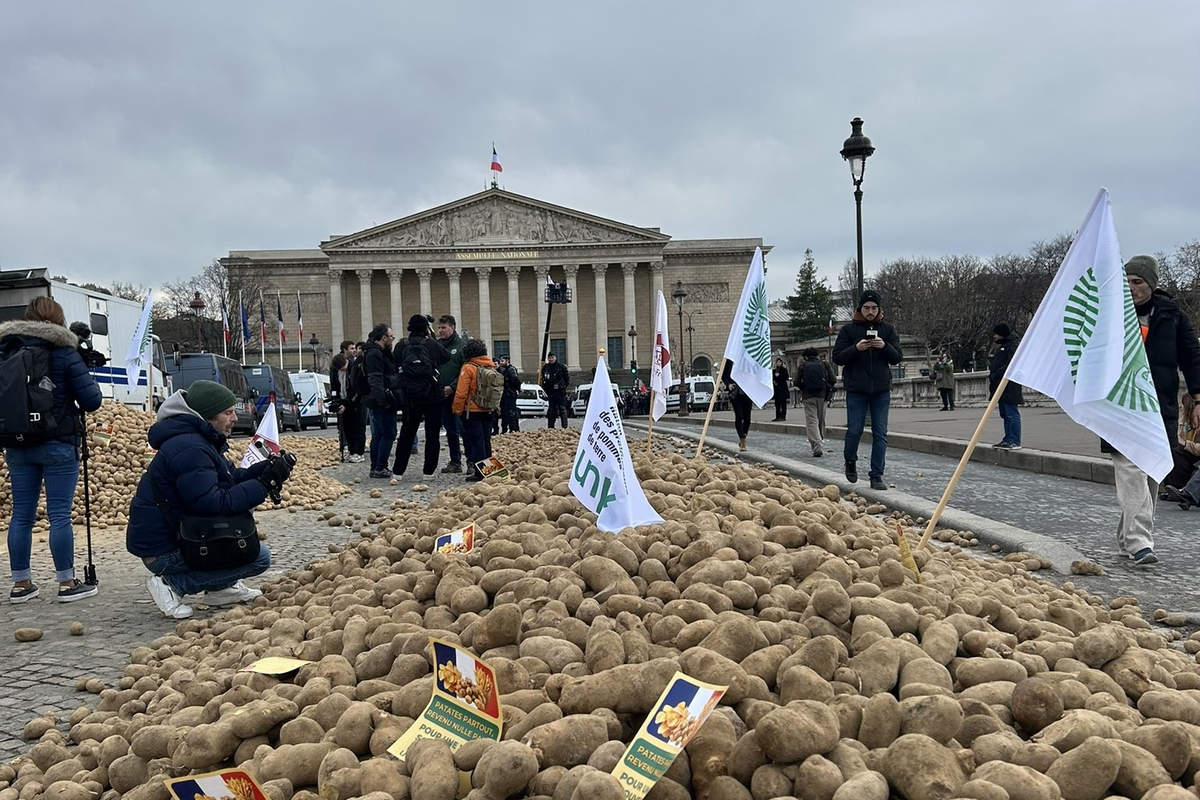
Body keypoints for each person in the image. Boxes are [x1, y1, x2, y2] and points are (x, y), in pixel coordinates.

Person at [126, 380, 291, 618]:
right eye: (228, 412)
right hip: (162, 549)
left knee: (244, 542)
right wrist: (263, 485)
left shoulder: (199, 440)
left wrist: (266, 470)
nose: (235, 418)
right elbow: (213, 503)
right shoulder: (190, 448)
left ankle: (220, 589)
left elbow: (231, 478)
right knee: (258, 557)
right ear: (207, 417)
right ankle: (172, 585)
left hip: (180, 533)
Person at [1, 298, 103, 603]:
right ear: (59, 320)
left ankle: (21, 584)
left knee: (21, 515)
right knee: (59, 514)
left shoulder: (7, 349)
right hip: (58, 442)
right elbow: (92, 401)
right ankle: (67, 583)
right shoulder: (64, 351)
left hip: (17, 443)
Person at [1104, 256, 1200, 565]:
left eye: (1137, 282)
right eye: (1126, 281)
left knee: (1151, 473)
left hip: (1159, 406)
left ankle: (1126, 538)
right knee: (1131, 468)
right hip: (1119, 405)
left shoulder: (1173, 316)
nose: (1130, 287)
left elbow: (1192, 358)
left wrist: (1198, 399)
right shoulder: (1110, 316)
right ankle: (1140, 542)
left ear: (1151, 286)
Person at [833, 290, 902, 490]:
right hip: (857, 389)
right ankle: (850, 460)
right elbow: (837, 357)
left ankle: (876, 475)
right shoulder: (848, 331)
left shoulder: (888, 330)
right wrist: (856, 348)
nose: (870, 312)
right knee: (855, 430)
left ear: (879, 309)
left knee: (880, 433)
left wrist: (884, 346)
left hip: (880, 389)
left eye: (874, 308)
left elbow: (897, 357)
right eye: (866, 308)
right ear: (860, 309)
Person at [391, 315, 447, 477]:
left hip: (410, 395)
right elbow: (445, 357)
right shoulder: (430, 344)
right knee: (432, 434)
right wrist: (432, 338)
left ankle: (398, 471)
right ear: (426, 328)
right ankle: (428, 472)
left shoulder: (402, 345)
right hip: (432, 394)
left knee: (407, 433)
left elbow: (395, 365)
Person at [454, 339, 498, 482]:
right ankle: (490, 471)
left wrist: (457, 410)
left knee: (476, 442)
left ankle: (480, 474)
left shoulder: (468, 367)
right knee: (486, 441)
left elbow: (461, 393)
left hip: (472, 411)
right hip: (488, 409)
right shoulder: (490, 366)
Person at [362, 323, 399, 478]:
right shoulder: (375, 354)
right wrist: (383, 400)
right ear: (383, 338)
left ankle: (376, 467)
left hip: (378, 399)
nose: (392, 339)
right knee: (388, 433)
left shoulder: (375, 352)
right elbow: (375, 379)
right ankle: (379, 466)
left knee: (379, 434)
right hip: (381, 401)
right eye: (391, 336)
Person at [435, 315, 465, 473]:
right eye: (439, 328)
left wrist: (452, 387)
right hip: (442, 395)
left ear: (452, 327)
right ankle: (455, 462)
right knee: (450, 429)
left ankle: (472, 462)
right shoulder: (437, 345)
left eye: (443, 328)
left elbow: (465, 370)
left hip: (458, 394)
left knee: (464, 429)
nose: (440, 331)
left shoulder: (461, 345)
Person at [1161, 393, 1200, 509]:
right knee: (1175, 451)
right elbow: (1177, 437)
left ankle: (1186, 494)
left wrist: (1187, 444)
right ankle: (1177, 490)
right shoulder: (1185, 418)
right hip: (1191, 456)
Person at [330, 341, 365, 463]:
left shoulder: (354, 368)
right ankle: (351, 450)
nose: (343, 370)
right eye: (340, 369)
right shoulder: (335, 371)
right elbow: (334, 387)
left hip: (356, 402)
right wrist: (336, 401)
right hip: (343, 401)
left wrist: (346, 404)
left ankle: (359, 452)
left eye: (344, 368)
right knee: (347, 428)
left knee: (358, 428)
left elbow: (356, 389)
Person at [990, 324, 1023, 449]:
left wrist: (998, 373)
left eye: (996, 334)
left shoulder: (1011, 346)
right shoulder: (1004, 346)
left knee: (1011, 413)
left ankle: (1014, 440)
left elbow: (1011, 364)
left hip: (1009, 386)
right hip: (1002, 386)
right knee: (1005, 413)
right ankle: (1008, 438)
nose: (994, 336)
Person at [799, 349, 829, 457]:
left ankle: (817, 445)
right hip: (822, 396)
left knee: (812, 421)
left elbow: (797, 381)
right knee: (821, 420)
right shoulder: (823, 364)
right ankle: (821, 439)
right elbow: (832, 378)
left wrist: (804, 388)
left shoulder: (803, 365)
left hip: (808, 396)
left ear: (806, 357)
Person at [721, 360, 753, 452]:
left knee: (747, 419)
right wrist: (728, 384)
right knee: (739, 416)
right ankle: (742, 440)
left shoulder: (747, 359)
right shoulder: (730, 360)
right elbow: (723, 375)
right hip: (735, 393)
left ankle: (744, 435)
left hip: (747, 392)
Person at [540, 352, 570, 428]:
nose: (551, 359)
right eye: (549, 358)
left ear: (555, 358)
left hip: (560, 392)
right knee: (551, 410)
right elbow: (543, 379)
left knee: (562, 409)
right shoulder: (546, 367)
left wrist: (562, 387)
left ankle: (564, 427)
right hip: (550, 392)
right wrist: (546, 389)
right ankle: (551, 427)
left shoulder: (561, 367)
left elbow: (567, 379)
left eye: (552, 357)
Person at [496, 354, 522, 434]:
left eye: (502, 361)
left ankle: (513, 429)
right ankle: (504, 429)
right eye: (500, 361)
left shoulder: (511, 369)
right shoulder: (501, 370)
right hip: (504, 394)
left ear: (507, 361)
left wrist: (517, 389)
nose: (501, 362)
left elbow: (516, 381)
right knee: (504, 413)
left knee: (511, 413)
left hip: (510, 394)